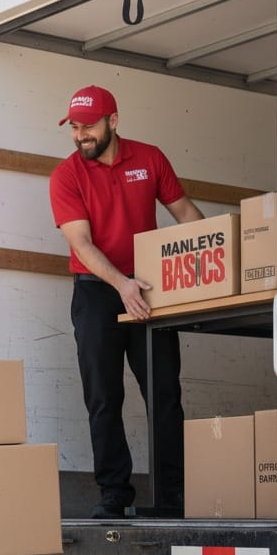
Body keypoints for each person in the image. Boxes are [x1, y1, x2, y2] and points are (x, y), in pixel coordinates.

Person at [48, 85, 205, 518]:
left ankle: (174, 495)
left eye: (88, 126)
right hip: (97, 291)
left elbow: (186, 214)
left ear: (113, 122)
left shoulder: (149, 158)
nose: (80, 135)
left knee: (164, 395)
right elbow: (81, 243)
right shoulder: (67, 176)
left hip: (151, 288)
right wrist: (122, 284)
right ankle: (114, 493)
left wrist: (215, 257)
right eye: (74, 127)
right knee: (103, 396)